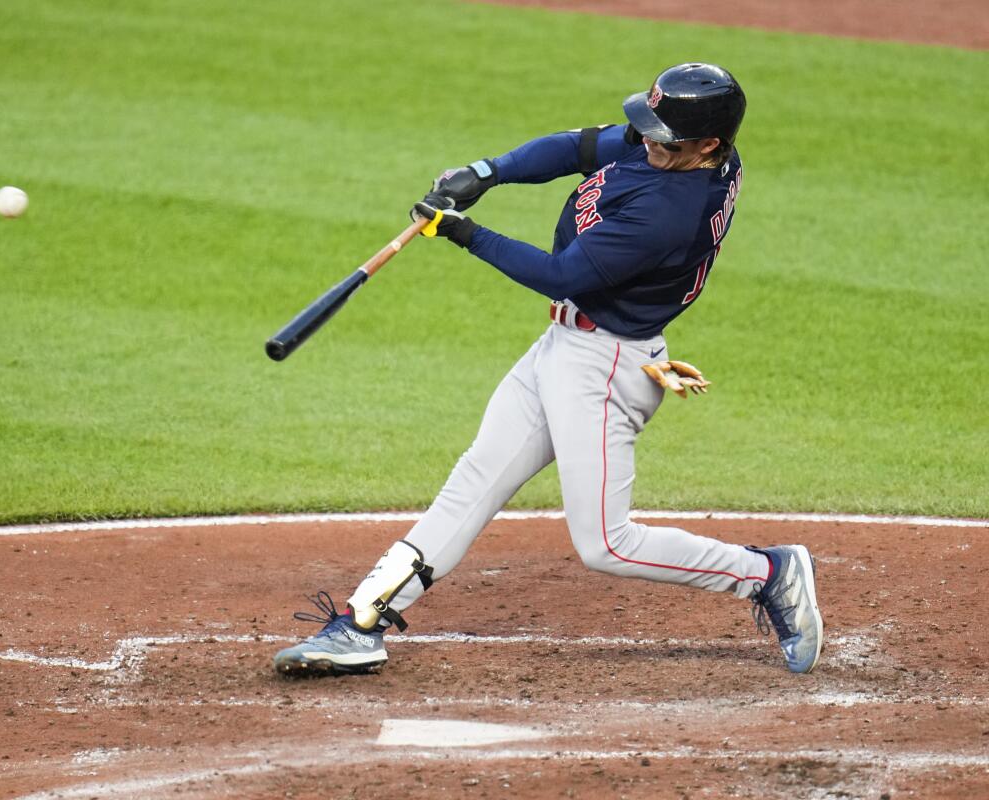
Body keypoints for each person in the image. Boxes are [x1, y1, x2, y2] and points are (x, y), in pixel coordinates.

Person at [273, 63, 823, 678]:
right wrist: (487, 173)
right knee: (474, 480)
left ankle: (768, 574)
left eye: (660, 136)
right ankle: (360, 623)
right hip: (563, 347)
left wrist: (465, 233)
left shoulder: (673, 209)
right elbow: (577, 148)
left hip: (608, 365)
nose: (643, 140)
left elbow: (564, 276)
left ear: (707, 146)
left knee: (607, 545)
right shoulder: (671, 149)